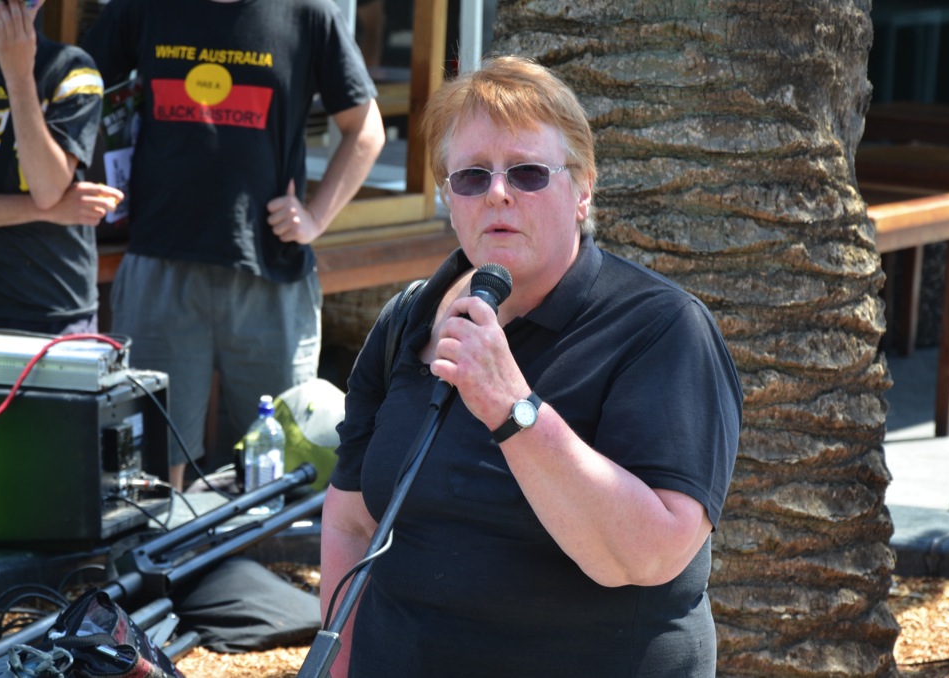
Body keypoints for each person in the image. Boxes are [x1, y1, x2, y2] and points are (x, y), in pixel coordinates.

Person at [319, 56, 743, 677]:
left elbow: (649, 555)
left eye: (528, 172)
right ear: (449, 197)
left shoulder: (661, 328)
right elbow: (353, 520)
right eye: (470, 176)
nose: (497, 191)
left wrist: (511, 408)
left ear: (583, 188)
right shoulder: (409, 321)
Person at [81, 0, 386, 490]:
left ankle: (261, 570)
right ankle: (162, 568)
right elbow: (75, 88)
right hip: (161, 266)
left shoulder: (308, 13)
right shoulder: (144, 8)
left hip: (270, 275)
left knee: (282, 463)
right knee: (151, 471)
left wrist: (315, 217)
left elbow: (365, 129)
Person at [0, 0, 124, 336]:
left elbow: (47, 189)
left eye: (21, 3)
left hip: (56, 306)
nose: (9, 13)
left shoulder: (72, 71)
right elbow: (48, 203)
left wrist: (18, 76)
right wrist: (50, 211)